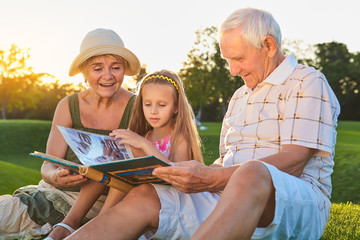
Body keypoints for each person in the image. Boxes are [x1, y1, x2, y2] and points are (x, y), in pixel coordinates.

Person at [66, 7, 340, 240]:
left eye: (239, 58)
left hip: (297, 203)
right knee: (148, 194)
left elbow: (294, 160)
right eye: (228, 60)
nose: (233, 69)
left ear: (269, 45)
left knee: (252, 172)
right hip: (228, 195)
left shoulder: (307, 82)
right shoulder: (240, 96)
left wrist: (214, 178)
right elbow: (225, 160)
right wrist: (194, 173)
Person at [0, 28, 140, 240]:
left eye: (115, 67)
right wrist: (55, 176)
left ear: (124, 70)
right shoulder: (68, 105)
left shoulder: (137, 107)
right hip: (54, 195)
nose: (108, 76)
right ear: (84, 72)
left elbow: (137, 166)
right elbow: (48, 164)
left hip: (106, 203)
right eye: (97, 68)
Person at [48, 69, 203, 240]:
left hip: (165, 199)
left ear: (175, 108)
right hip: (137, 192)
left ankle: (98, 224)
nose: (153, 111)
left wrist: (143, 145)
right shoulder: (146, 134)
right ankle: (74, 225)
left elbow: (178, 174)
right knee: (106, 165)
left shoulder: (178, 137)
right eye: (148, 104)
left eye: (162, 105)